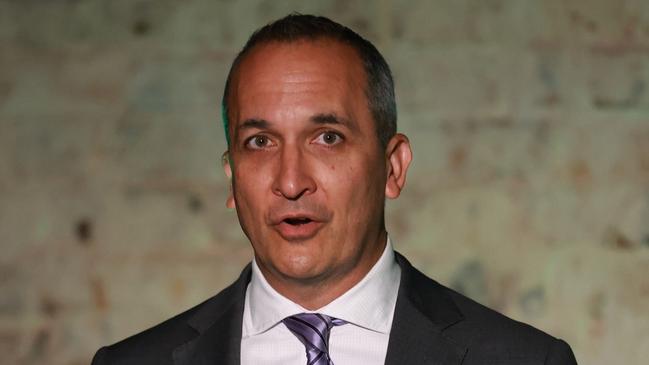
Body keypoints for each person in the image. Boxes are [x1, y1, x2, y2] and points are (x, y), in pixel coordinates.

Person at [92, 14, 577, 365]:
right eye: (259, 142)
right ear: (232, 180)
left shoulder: (526, 360)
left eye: (328, 138)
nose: (290, 182)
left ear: (392, 167)